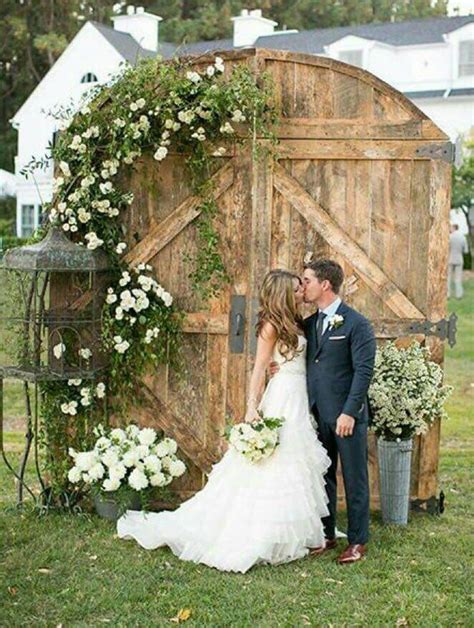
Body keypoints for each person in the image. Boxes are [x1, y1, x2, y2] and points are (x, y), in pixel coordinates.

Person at [117, 269, 331, 573]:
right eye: (296, 289)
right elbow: (259, 369)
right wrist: (251, 407)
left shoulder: (298, 323)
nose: (301, 292)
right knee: (274, 463)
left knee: (294, 463)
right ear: (284, 293)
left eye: (302, 287)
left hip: (298, 394)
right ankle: (262, 533)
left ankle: (294, 533)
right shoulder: (270, 326)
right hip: (282, 396)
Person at [271, 259, 376, 564]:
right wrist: (279, 364)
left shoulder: (357, 324)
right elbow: (299, 356)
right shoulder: (310, 323)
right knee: (323, 477)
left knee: (355, 477)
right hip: (316, 414)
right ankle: (326, 534)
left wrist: (350, 412)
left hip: (346, 416)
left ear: (325, 285)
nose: (302, 287)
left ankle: (357, 541)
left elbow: (363, 372)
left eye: (306, 281)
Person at [448, 224, 468, 299]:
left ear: (453, 228)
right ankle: (459, 295)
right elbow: (466, 251)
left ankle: (447, 294)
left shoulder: (450, 237)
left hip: (450, 258)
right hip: (459, 259)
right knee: (458, 278)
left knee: (448, 277)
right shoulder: (463, 237)